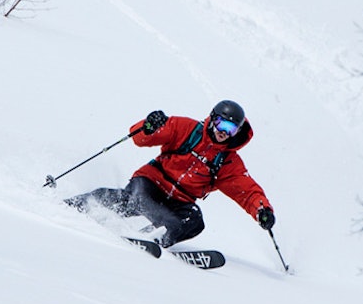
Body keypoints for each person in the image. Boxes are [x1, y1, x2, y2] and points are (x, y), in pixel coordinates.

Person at [67, 100, 275, 248]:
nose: (223, 132)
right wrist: (149, 126)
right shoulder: (187, 128)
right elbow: (141, 138)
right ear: (212, 120)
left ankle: (158, 240)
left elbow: (246, 191)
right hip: (151, 181)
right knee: (132, 201)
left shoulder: (228, 162)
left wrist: (262, 210)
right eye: (222, 124)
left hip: (180, 200)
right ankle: (79, 203)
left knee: (194, 222)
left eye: (231, 129)